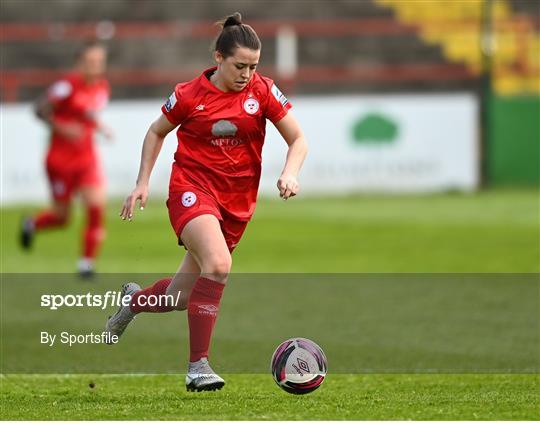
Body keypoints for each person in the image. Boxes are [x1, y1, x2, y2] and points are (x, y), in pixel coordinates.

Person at [105, 13, 307, 392]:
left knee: (180, 297)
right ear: (218, 57)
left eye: (254, 66)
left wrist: (290, 172)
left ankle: (133, 302)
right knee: (218, 263)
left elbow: (299, 140)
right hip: (192, 188)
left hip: (236, 203)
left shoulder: (263, 91)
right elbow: (155, 132)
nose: (247, 74)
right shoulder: (188, 95)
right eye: (239, 65)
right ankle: (198, 367)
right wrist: (142, 182)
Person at [21, 41, 112, 278]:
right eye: (91, 61)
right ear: (80, 62)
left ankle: (86, 264)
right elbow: (39, 109)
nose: (96, 66)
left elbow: (87, 115)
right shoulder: (67, 86)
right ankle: (32, 223)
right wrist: (62, 128)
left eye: (100, 62)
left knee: (96, 205)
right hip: (60, 160)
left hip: (86, 158)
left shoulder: (102, 86)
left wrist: (101, 128)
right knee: (62, 218)